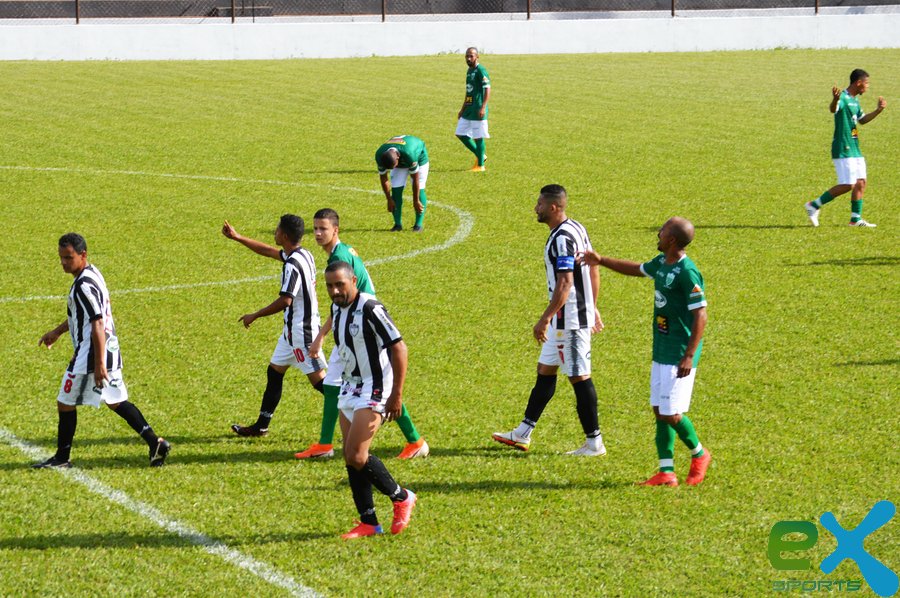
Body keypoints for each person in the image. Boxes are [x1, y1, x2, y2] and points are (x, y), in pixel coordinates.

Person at [580, 217, 711, 487]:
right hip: (662, 348)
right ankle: (666, 472)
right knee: (659, 408)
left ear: (672, 239)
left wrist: (689, 354)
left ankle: (700, 454)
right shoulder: (662, 263)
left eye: (662, 230)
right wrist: (601, 260)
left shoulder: (687, 272)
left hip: (680, 352)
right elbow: (637, 269)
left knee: (671, 414)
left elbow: (701, 314)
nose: (659, 233)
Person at [295, 208, 429, 460]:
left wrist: (321, 336)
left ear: (336, 230)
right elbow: (339, 304)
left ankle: (328, 444)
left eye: (322, 228)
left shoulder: (340, 256)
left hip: (362, 326)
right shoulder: (340, 252)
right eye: (314, 229)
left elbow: (349, 300)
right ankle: (414, 440)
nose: (317, 233)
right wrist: (322, 335)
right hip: (353, 323)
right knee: (346, 384)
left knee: (369, 385)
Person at [33, 233, 170, 469]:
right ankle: (155, 442)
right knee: (116, 401)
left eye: (69, 258)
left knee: (65, 401)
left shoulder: (84, 286)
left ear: (83, 255)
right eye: (61, 258)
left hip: (92, 355)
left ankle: (62, 458)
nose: (64, 263)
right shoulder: (92, 273)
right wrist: (57, 332)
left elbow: (96, 323)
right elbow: (83, 317)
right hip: (108, 350)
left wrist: (98, 365)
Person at [492, 185, 606, 456]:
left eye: (540, 204)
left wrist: (544, 319)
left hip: (569, 319)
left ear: (553, 207)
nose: (536, 208)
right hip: (565, 317)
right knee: (545, 370)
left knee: (579, 377)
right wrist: (593, 305)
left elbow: (566, 282)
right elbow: (593, 267)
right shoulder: (576, 227)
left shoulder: (562, 239)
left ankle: (594, 443)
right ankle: (523, 433)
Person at [323, 261, 417, 539]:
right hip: (350, 387)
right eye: (329, 286)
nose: (335, 291)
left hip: (375, 389)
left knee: (356, 454)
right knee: (350, 457)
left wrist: (396, 395)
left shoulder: (370, 308)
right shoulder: (336, 309)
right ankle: (369, 522)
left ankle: (401, 497)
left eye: (340, 284)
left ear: (353, 280)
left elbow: (399, 348)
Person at [222, 215, 326, 437]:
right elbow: (268, 251)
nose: (275, 232)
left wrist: (255, 315)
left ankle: (363, 409)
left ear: (285, 236)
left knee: (321, 383)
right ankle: (261, 425)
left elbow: (285, 300)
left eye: (277, 230)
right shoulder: (303, 253)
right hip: (291, 333)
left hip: (302, 332)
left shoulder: (292, 265)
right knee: (274, 372)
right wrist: (238, 237)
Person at [805, 69, 886, 228]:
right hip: (843, 147)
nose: (868, 87)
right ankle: (814, 205)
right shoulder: (842, 97)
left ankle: (855, 219)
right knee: (848, 184)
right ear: (859, 82)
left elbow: (862, 120)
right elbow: (833, 109)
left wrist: (878, 110)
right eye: (867, 83)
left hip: (855, 148)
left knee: (861, 182)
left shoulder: (855, 101)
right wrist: (835, 100)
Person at [375, 135, 429, 232]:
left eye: (393, 166)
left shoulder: (410, 154)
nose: (392, 169)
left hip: (418, 158)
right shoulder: (379, 155)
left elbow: (415, 179)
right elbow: (383, 178)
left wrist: (416, 200)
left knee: (420, 188)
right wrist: (388, 199)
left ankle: (418, 225)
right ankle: (397, 225)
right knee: (395, 191)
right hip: (401, 157)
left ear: (398, 158)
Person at [456, 47, 491, 172]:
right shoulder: (469, 71)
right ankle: (481, 155)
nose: (469, 58)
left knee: (478, 137)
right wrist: (462, 108)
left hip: (478, 109)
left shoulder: (481, 70)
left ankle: (480, 165)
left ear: (477, 56)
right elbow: (468, 91)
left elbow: (487, 88)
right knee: (460, 133)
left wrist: (483, 107)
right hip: (469, 108)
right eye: (467, 56)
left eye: (471, 56)